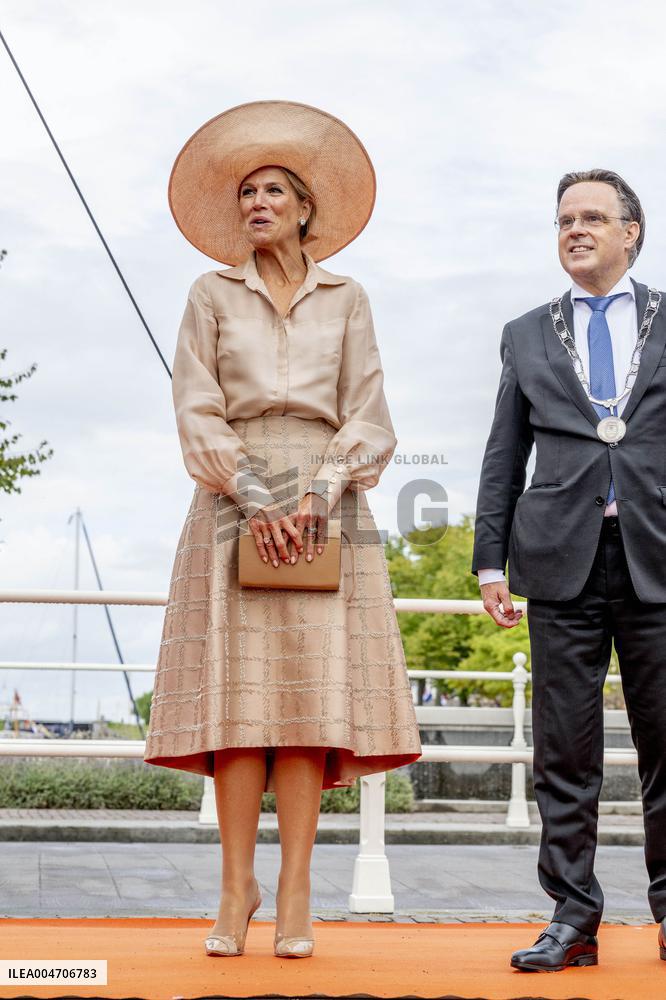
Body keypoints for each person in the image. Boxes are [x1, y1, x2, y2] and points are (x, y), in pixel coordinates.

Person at [144, 101, 421, 960]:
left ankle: (297, 888)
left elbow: (371, 415)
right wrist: (258, 494)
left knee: (305, 706)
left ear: (305, 207)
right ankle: (237, 889)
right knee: (239, 706)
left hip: (329, 503)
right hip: (233, 500)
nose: (256, 203)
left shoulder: (350, 298)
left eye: (273, 191)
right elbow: (196, 408)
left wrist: (323, 488)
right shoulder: (209, 294)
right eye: (246, 193)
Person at [472, 168, 666, 972]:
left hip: (658, 556)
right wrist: (490, 560)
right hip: (557, 561)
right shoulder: (524, 332)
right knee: (563, 751)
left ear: (632, 232)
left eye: (592, 217)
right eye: (563, 220)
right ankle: (572, 918)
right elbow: (504, 453)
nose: (574, 230)